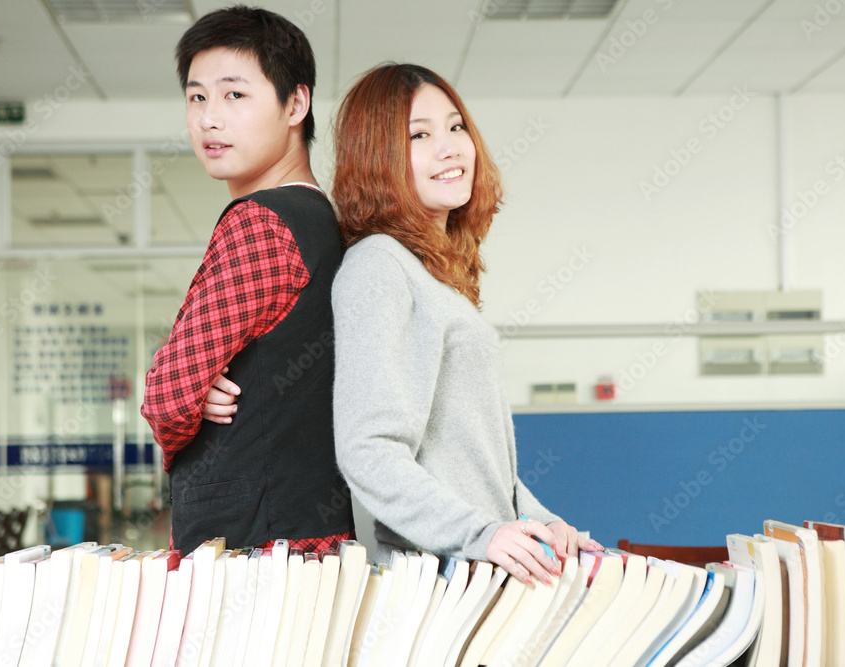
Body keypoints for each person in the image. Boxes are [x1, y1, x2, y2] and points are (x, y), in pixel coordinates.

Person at [330, 64, 600, 586]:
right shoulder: (379, 265)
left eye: (456, 127)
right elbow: (368, 449)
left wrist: (538, 518)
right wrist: (481, 534)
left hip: (476, 572)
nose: (450, 147)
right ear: (376, 158)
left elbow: (470, 455)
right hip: (440, 583)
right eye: (420, 135)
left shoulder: (434, 272)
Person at [140, 5, 354, 556]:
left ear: (296, 104)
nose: (210, 118)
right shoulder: (326, 223)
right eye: (197, 96)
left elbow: (167, 397)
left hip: (247, 554)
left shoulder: (259, 223)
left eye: (235, 95)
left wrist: (186, 393)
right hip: (315, 540)